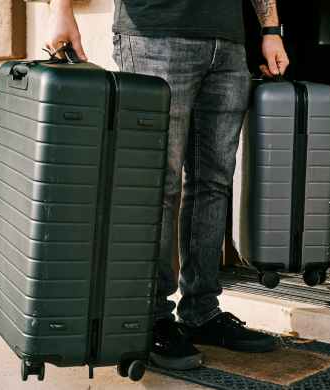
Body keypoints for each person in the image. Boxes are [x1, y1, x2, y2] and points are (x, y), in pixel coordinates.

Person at [46, 0, 290, 371]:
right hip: (152, 36)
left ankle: (201, 311)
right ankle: (149, 319)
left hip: (227, 43)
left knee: (214, 183)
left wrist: (271, 30)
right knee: (157, 185)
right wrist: (60, 9)